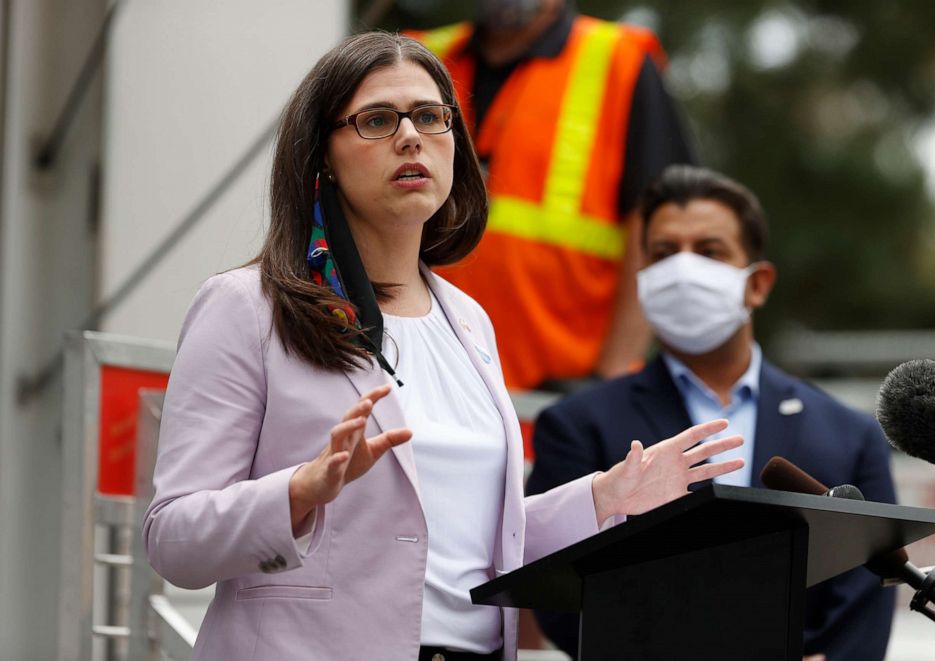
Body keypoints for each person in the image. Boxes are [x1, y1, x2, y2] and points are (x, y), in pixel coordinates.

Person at [142, 34, 745, 660]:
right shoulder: (246, 307)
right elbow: (173, 540)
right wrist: (299, 491)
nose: (410, 137)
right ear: (320, 156)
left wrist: (603, 499)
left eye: (430, 117)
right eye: (377, 120)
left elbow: (466, 545)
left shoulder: (469, 321)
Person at [526, 165, 898, 661]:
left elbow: (871, 589)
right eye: (663, 254)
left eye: (709, 251)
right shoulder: (577, 425)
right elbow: (557, 591)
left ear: (757, 284)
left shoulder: (850, 436)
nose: (683, 271)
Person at [406, 0, 695, 391]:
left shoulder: (618, 60)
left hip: (558, 399)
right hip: (424, 379)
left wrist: (609, 380)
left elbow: (660, 227)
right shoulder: (418, 57)